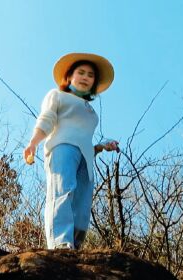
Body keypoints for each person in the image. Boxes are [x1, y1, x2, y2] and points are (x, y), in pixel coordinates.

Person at [23, 53, 119, 250]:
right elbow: (47, 119)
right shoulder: (57, 96)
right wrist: (34, 142)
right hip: (62, 147)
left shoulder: (92, 113)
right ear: (68, 77)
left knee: (82, 203)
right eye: (80, 72)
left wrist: (101, 146)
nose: (85, 77)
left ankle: (74, 246)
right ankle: (60, 242)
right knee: (62, 191)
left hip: (86, 158)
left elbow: (84, 139)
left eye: (90, 75)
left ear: (94, 83)